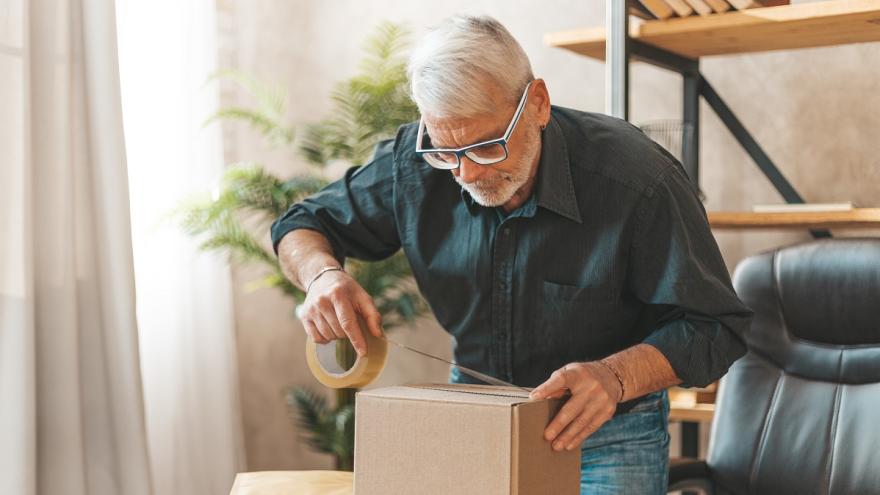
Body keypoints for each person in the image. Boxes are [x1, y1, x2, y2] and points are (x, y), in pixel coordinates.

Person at [271, 15, 753, 494]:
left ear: (537, 103)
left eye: (486, 147)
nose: (466, 174)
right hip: (473, 416)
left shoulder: (637, 179)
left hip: (607, 432)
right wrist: (321, 276)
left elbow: (716, 326)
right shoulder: (414, 165)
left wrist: (614, 376)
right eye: (445, 151)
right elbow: (301, 224)